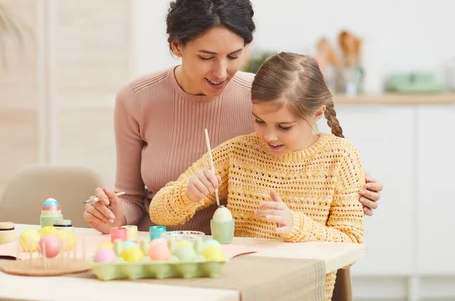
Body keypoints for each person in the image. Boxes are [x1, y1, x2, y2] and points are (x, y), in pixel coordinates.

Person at [82, 0, 382, 235]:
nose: (221, 72)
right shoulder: (135, 99)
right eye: (206, 57)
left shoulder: (266, 99)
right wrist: (114, 214)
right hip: (162, 249)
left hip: (239, 255)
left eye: (234, 56)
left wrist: (352, 193)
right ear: (176, 46)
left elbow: (312, 165)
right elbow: (133, 199)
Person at [150, 52, 364, 301]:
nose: (269, 136)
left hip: (302, 293)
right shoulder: (238, 152)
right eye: (259, 121)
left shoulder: (340, 157)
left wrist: (297, 226)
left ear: (317, 113)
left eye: (284, 127)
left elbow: (351, 245)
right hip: (239, 290)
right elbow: (159, 211)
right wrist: (187, 193)